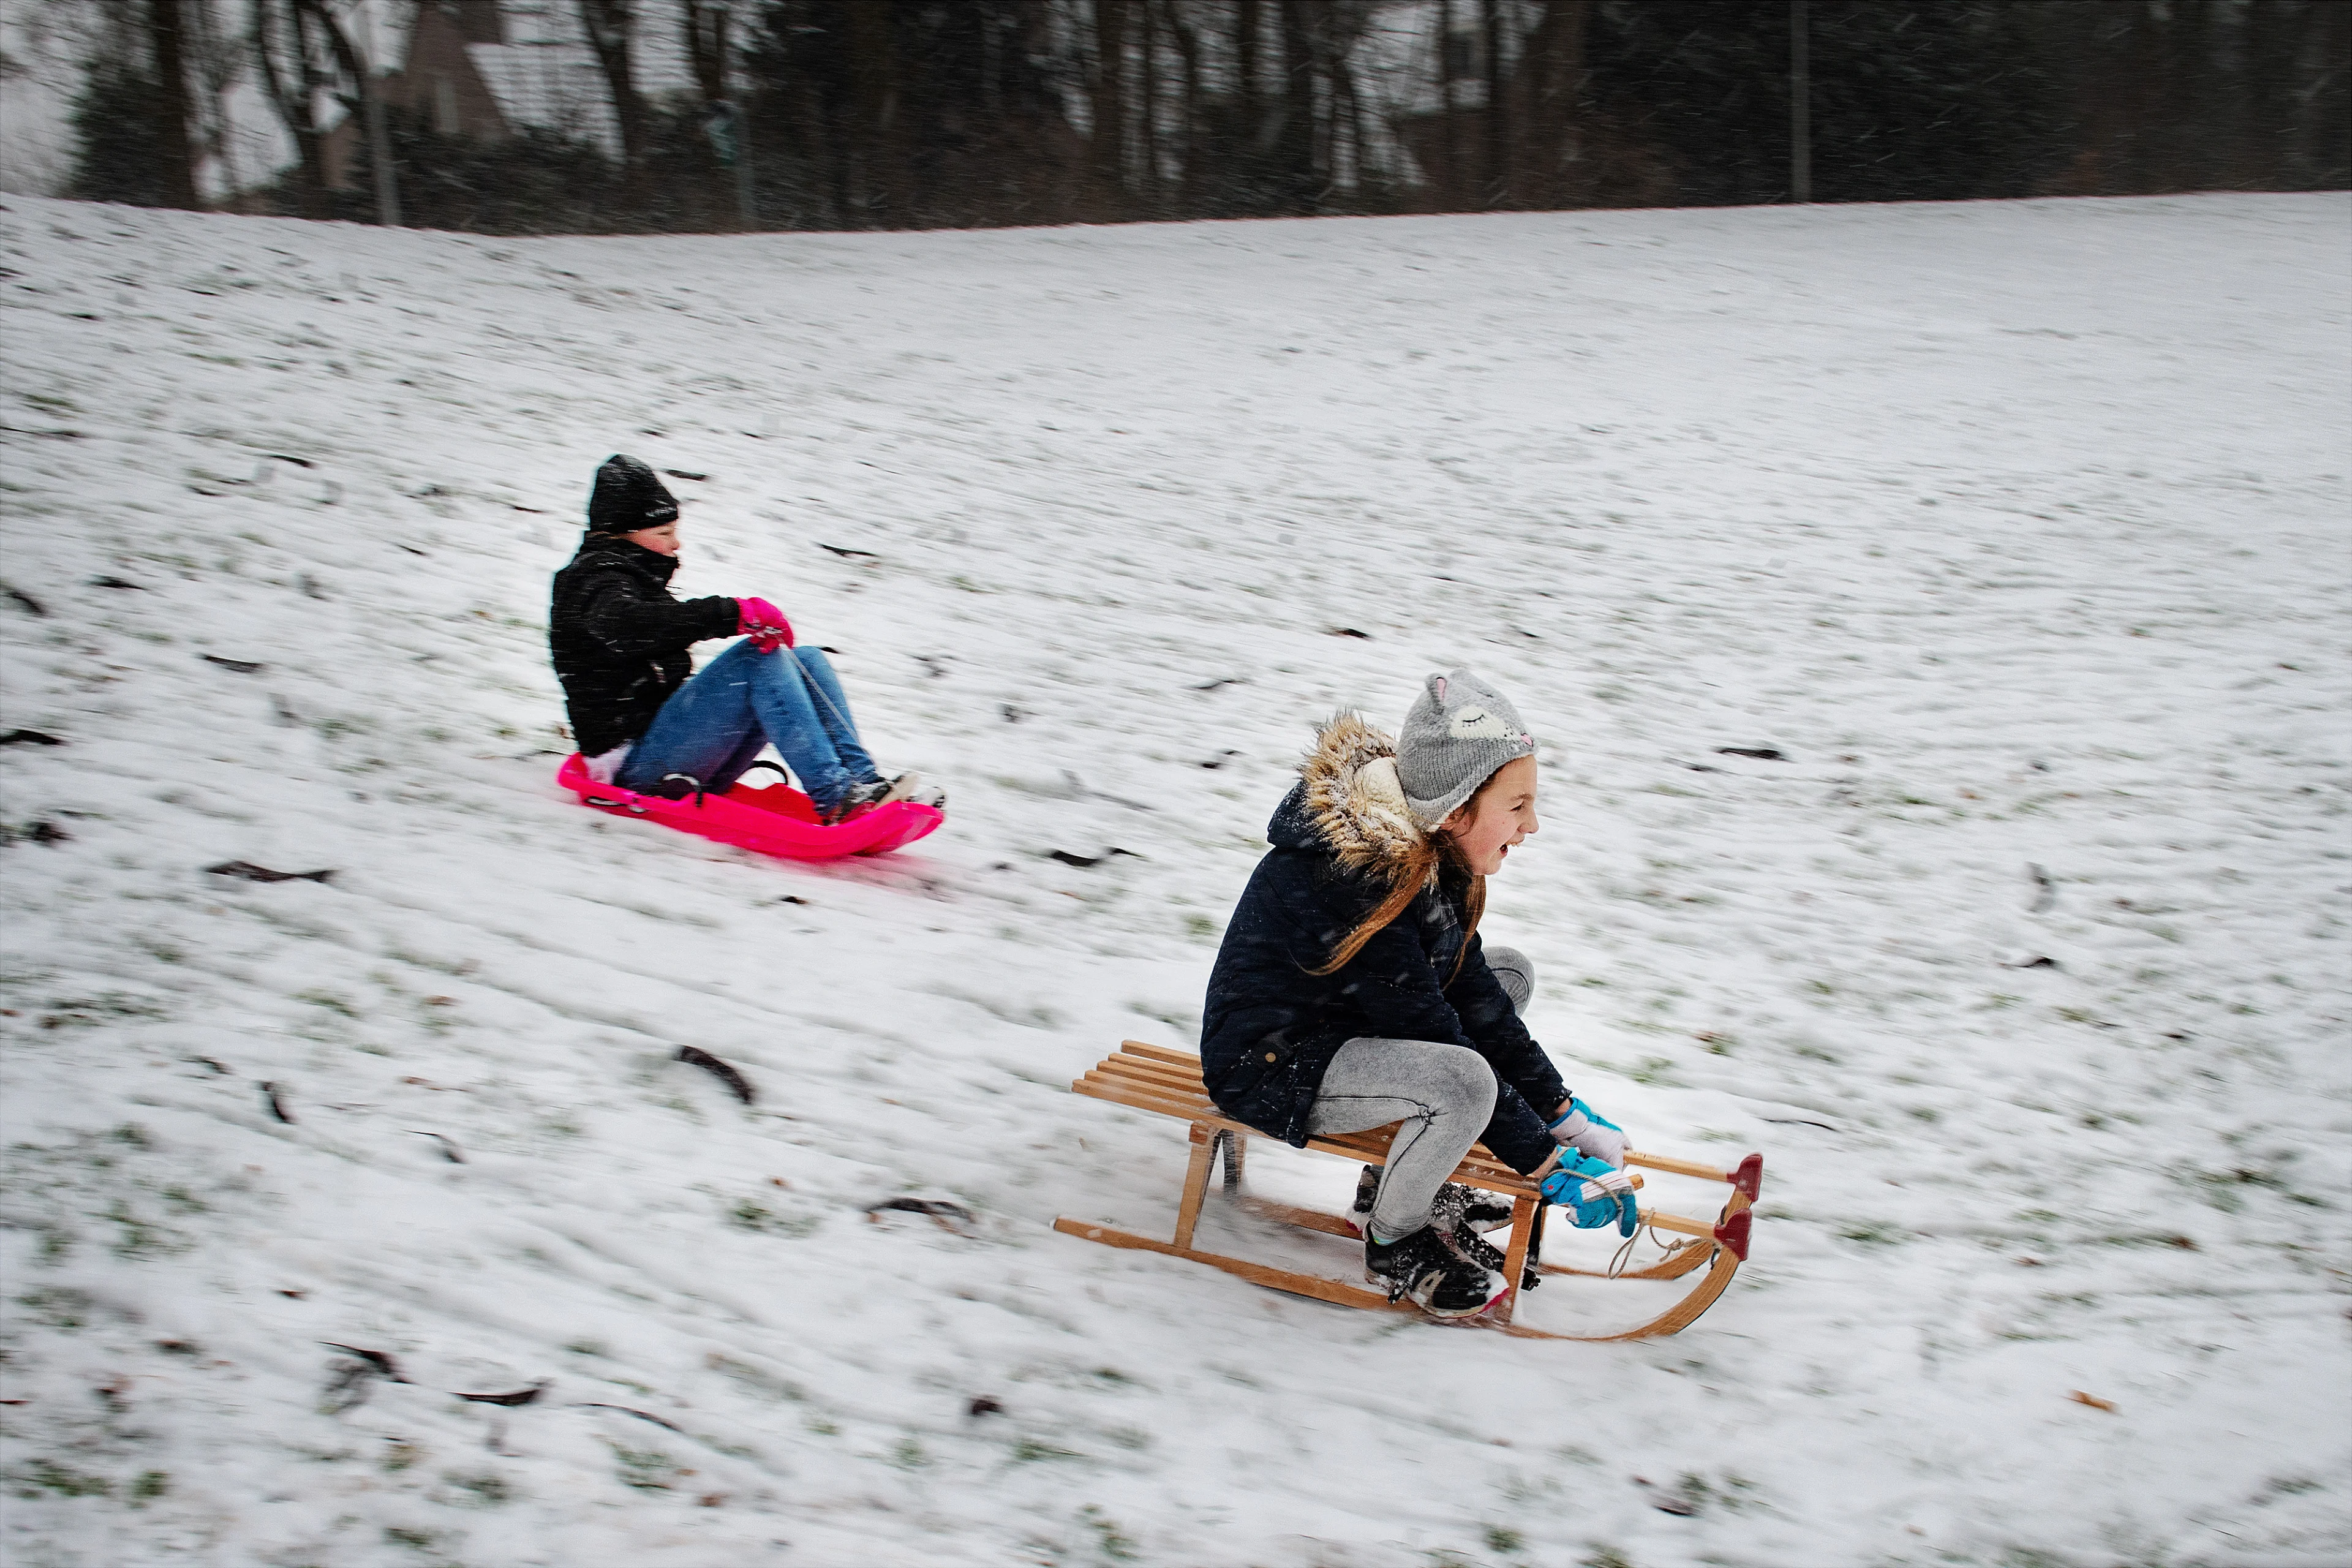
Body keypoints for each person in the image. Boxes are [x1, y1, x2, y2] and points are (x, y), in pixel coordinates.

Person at [1200, 669, 1635, 1319]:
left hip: (1344, 1026)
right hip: (1271, 1063)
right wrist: (1549, 1165)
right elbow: (1437, 1032)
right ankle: (1395, 1238)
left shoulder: (1425, 850)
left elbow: (1477, 994)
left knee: (1509, 974)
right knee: (1462, 1081)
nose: (1534, 824)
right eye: (1517, 807)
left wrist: (1561, 1110)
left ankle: (1402, 1176)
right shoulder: (1364, 876)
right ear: (1456, 810)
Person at [548, 454, 941, 824]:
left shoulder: (629, 579)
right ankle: (837, 797)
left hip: (667, 754)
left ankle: (865, 785)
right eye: (665, 533)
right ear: (622, 535)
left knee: (806, 658)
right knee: (757, 660)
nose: (676, 544)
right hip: (634, 772)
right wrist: (734, 613)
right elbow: (629, 626)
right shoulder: (590, 583)